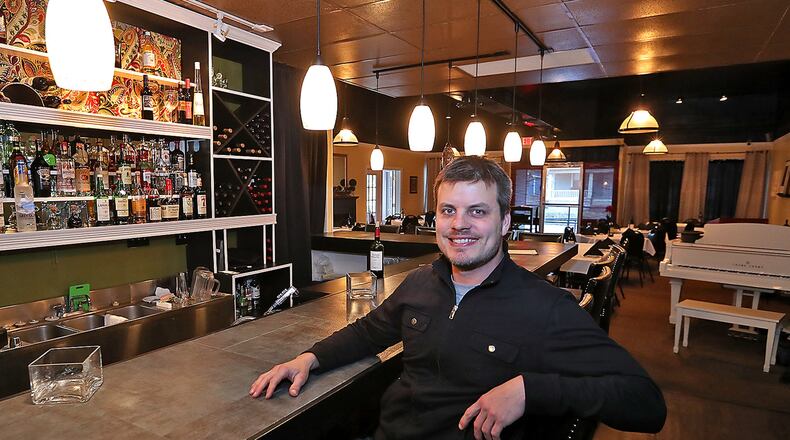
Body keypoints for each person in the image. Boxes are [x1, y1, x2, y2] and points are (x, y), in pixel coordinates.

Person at [250, 157, 666, 439]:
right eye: (448, 210)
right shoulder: (420, 283)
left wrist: (529, 390)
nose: (458, 225)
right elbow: (366, 333)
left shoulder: (544, 307)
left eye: (477, 212)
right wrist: (308, 358)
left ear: (505, 222)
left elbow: (645, 403)